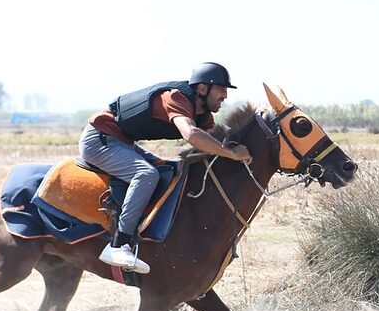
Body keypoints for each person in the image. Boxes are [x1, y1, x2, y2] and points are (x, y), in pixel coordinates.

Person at [81, 62, 253, 274]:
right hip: (99, 139)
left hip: (122, 142)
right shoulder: (176, 98)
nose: (225, 95)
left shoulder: (203, 115)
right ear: (202, 89)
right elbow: (192, 135)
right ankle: (119, 244)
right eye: (221, 88)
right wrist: (233, 153)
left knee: (165, 171)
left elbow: (213, 143)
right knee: (146, 175)